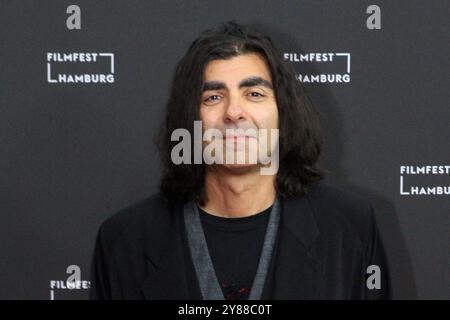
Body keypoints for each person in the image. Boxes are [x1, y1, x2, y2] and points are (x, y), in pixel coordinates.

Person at [89, 21, 390, 300]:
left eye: (254, 94)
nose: (234, 112)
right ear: (189, 118)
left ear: (283, 112)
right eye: (213, 98)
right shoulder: (123, 242)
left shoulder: (349, 229)